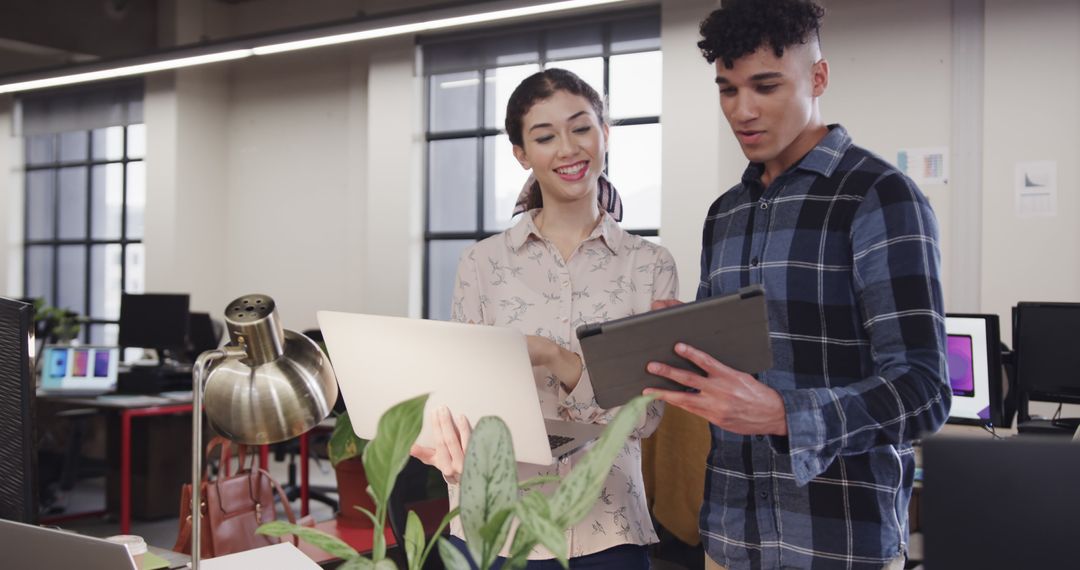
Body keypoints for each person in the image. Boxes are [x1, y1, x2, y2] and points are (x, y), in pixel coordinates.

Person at [643, 2, 950, 569]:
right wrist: (683, 341)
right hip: (729, 541)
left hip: (838, 545)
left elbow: (925, 391)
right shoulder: (725, 215)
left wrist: (784, 414)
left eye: (765, 86)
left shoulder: (880, 196)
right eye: (727, 90)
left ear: (818, 77)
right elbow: (738, 375)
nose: (743, 110)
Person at [411, 68, 679, 568]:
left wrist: (555, 357)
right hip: (495, 528)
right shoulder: (481, 264)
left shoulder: (649, 266)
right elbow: (461, 395)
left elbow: (647, 417)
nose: (567, 149)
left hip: (608, 530)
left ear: (605, 133)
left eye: (581, 128)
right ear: (521, 154)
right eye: (544, 136)